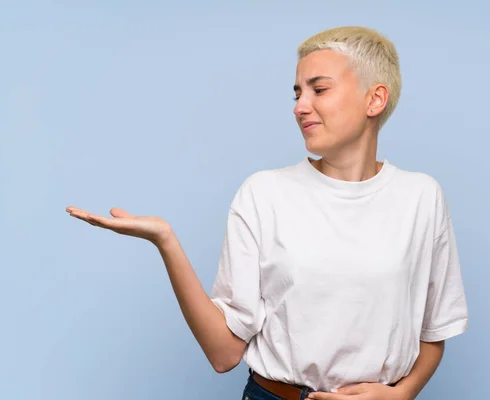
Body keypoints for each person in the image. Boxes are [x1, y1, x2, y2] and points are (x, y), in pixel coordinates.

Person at [66, 26, 468, 400]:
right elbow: (223, 354)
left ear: (374, 99)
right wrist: (165, 240)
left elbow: (434, 329)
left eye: (319, 89)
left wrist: (403, 393)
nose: (300, 107)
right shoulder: (264, 193)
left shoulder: (421, 198)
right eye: (297, 93)